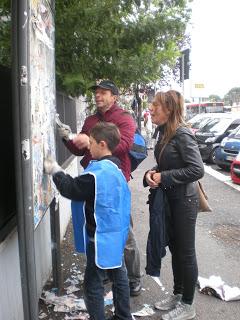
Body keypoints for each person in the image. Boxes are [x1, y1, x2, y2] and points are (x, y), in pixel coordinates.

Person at [58, 80, 142, 296]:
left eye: (103, 93)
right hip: (92, 180)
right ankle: (103, 272)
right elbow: (80, 151)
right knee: (97, 229)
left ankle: (133, 278)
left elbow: (123, 146)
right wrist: (68, 138)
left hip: (114, 182)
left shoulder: (124, 118)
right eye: (96, 93)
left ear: (114, 96)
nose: (98, 96)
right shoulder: (91, 120)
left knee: (124, 232)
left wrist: (93, 141)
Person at [44, 122, 132, 320]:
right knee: (119, 278)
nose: (88, 147)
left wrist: (55, 169)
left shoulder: (97, 174)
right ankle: (124, 316)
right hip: (117, 236)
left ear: (102, 144)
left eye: (91, 143)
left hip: (100, 238)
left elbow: (72, 189)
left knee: (93, 285)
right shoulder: (116, 167)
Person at [144, 90, 204, 320]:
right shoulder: (164, 132)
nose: (151, 109)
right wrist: (151, 174)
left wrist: (165, 177)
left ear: (168, 109)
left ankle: (188, 305)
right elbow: (164, 164)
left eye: (155, 106)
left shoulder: (182, 134)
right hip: (170, 199)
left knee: (185, 253)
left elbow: (197, 170)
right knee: (176, 250)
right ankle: (178, 294)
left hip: (185, 202)